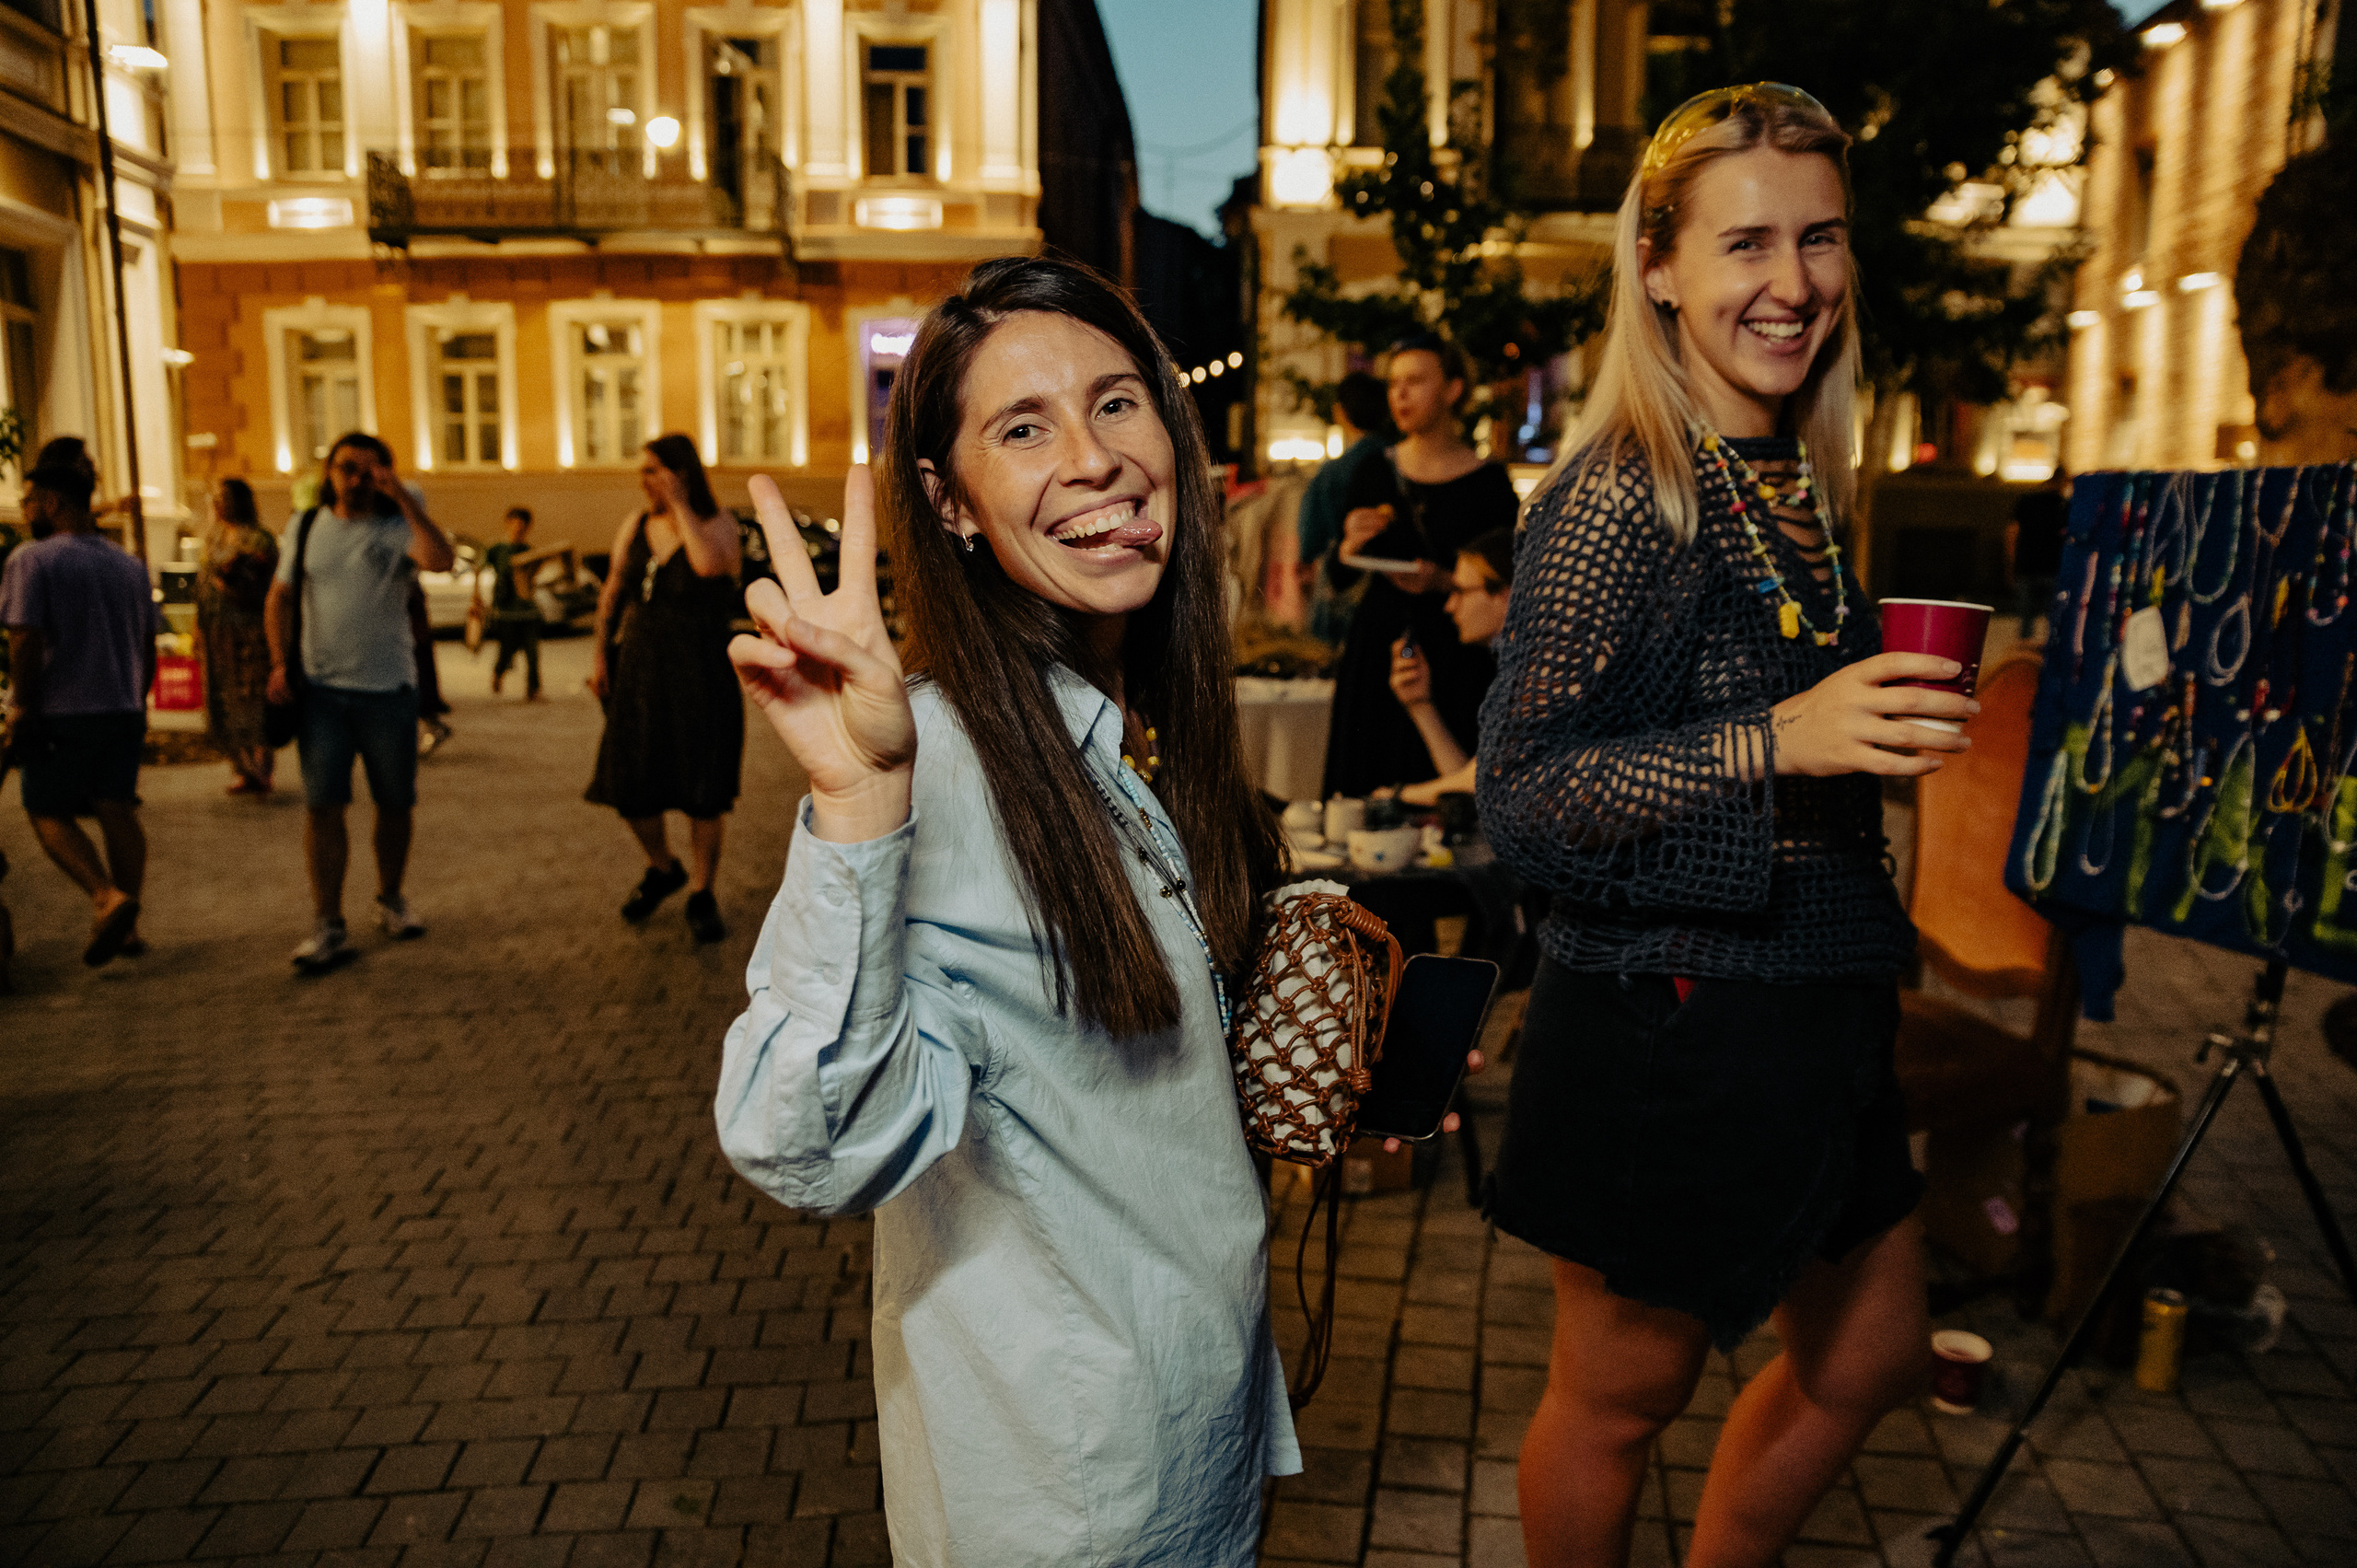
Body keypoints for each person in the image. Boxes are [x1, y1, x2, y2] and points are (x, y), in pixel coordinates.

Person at [712, 257, 1305, 1566]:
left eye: (1116, 403)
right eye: (1022, 427)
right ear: (951, 500)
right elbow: (805, 1138)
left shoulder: (1121, 723)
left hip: (1188, 1428)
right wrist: (861, 807)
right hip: (1067, 1492)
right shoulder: (952, 763)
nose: (1094, 458)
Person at [1476, 85, 1980, 1568]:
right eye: (1746, 241)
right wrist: (1786, 737)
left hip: (1817, 1001)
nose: (1793, 282)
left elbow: (1769, 724)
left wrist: (1865, 745)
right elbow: (1528, 797)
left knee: (1873, 1350)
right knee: (1623, 1394)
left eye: (1819, 238)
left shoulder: (1800, 479)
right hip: (1669, 1016)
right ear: (1658, 263)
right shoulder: (1626, 493)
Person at [267, 431, 455, 972]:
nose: (357, 478)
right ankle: (327, 922)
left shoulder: (398, 529)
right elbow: (278, 597)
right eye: (348, 467)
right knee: (324, 807)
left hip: (389, 693)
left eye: (370, 470)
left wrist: (403, 500)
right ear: (328, 472)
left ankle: (391, 898)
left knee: (395, 804)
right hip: (322, 695)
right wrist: (279, 662)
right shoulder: (305, 528)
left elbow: (440, 560)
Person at [1320, 335, 1519, 798]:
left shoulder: (1488, 482)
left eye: (1415, 381)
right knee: (1367, 788)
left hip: (1456, 653)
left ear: (1453, 390)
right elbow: (1339, 573)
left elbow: (1510, 580)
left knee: (1445, 795)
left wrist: (1444, 580)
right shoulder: (1374, 469)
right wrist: (1350, 542)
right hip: (1378, 650)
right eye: (1394, 384)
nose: (1400, 395)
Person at [1, 441, 160, 967]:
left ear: (51, 503)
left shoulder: (31, 559)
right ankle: (129, 927)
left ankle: (104, 895)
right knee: (117, 808)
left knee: (46, 811)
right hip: (121, 707)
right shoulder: (129, 566)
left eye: (28, 501)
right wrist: (137, 702)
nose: (24, 512)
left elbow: (24, 638)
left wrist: (20, 707)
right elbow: (146, 644)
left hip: (60, 710)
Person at [586, 433, 744, 942]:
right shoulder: (633, 525)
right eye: (644, 470)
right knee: (630, 783)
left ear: (681, 473)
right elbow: (612, 595)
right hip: (640, 671)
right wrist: (599, 658)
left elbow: (706, 566)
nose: (644, 480)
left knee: (704, 789)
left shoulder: (717, 525)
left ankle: (701, 891)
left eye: (655, 470)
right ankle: (663, 866)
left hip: (700, 671)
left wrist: (680, 507)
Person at [1385, 526, 1515, 807]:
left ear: (1506, 597)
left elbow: (1480, 784)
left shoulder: (1533, 672)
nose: (1449, 605)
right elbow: (1465, 785)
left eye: (1460, 591)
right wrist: (1419, 704)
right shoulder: (1510, 665)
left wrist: (1391, 796)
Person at [1295, 369, 1393, 645]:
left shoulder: (1330, 474)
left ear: (1340, 413)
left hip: (1342, 583)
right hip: (1396, 584)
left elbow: (1310, 539)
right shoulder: (1401, 462)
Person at [196, 478, 281, 794]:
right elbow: (203, 585)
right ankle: (243, 768)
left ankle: (262, 767)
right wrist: (198, 627)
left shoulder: (259, 539)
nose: (219, 503)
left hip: (249, 630)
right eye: (215, 497)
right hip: (216, 630)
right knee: (223, 700)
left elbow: (261, 585)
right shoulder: (213, 537)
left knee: (253, 698)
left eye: (225, 497)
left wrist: (228, 584)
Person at [479, 506, 548, 699]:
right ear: (508, 523)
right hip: (505, 610)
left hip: (527, 610)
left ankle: (533, 689)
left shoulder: (529, 551)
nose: (519, 527)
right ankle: (498, 673)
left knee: (532, 651)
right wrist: (477, 598)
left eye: (523, 524)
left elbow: (532, 579)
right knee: (507, 649)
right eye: (515, 522)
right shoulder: (496, 549)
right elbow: (479, 569)